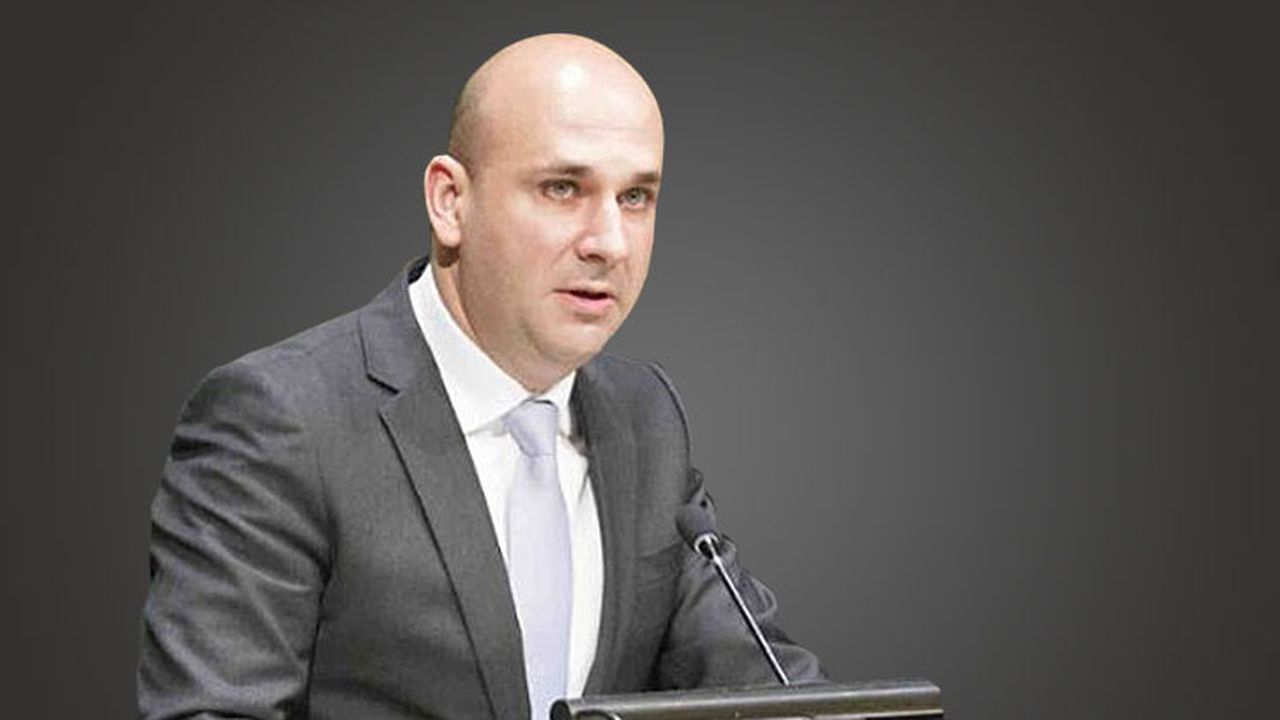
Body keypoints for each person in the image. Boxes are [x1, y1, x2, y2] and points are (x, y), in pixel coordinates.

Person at [138, 33, 823, 720]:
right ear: (449, 201)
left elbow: (765, 688)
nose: (609, 243)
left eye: (636, 196)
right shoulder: (282, 419)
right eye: (563, 188)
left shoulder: (647, 416)